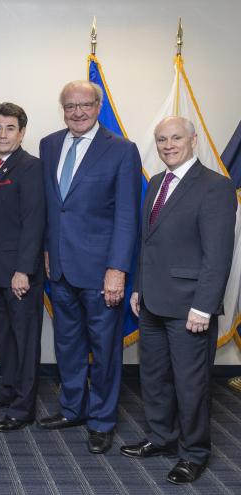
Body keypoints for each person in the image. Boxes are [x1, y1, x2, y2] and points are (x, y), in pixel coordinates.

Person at [120, 116, 236, 484]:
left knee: (191, 384)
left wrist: (204, 305)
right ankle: (161, 438)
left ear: (194, 139)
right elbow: (147, 241)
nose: (168, 145)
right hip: (152, 301)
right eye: (161, 139)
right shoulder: (155, 183)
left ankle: (194, 453)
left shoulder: (215, 187)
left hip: (190, 307)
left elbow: (218, 254)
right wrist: (138, 286)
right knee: (153, 378)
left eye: (175, 138)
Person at [38, 81, 141, 454]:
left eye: (84, 105)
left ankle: (101, 420)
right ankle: (71, 409)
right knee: (67, 344)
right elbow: (53, 207)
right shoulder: (49, 145)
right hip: (60, 267)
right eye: (70, 106)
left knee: (105, 348)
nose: (77, 112)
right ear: (62, 109)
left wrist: (117, 268)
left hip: (101, 272)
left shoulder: (121, 151)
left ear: (98, 106)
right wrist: (49, 250)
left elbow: (127, 216)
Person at [0, 103, 45, 430]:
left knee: (25, 339)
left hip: (19, 272)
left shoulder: (30, 167)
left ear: (21, 133)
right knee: (5, 336)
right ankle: (8, 389)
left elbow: (34, 222)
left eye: (10, 128)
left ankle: (22, 407)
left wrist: (24, 270)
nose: (3, 134)